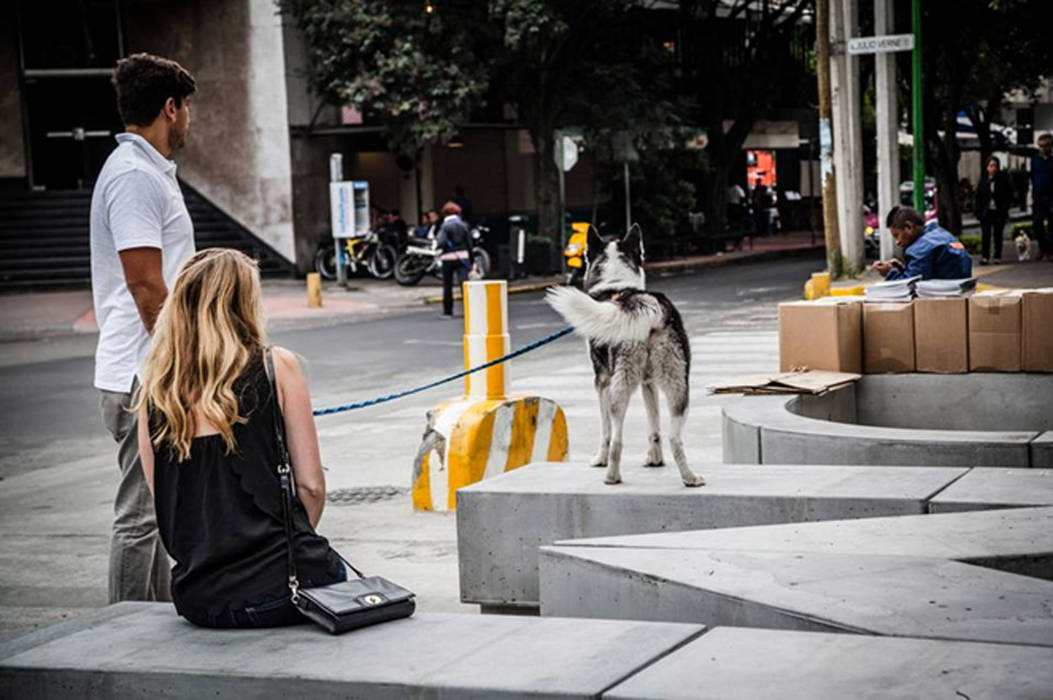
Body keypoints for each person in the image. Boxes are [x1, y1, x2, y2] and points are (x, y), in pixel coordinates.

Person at [136, 249, 345, 628]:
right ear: (242, 303)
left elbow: (164, 499)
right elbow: (311, 486)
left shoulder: (154, 390)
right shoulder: (275, 365)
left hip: (201, 601)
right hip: (282, 590)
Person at [90, 53, 197, 603]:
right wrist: (178, 360)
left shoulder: (143, 172)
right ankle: (122, 632)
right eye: (186, 111)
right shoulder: (134, 177)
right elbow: (145, 284)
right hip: (142, 371)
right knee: (141, 516)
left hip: (142, 368)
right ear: (170, 108)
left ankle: (150, 623)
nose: (188, 123)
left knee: (158, 510)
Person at [874, 206, 972, 281]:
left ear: (909, 227)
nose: (897, 242)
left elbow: (907, 286)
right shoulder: (940, 234)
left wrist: (889, 272)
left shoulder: (921, 249)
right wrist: (902, 269)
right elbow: (927, 271)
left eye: (896, 235)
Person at [975, 155, 1012, 264]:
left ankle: (997, 256)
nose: (993, 168)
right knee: (986, 234)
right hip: (986, 212)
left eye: (995, 166)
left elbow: (1008, 194)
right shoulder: (983, 181)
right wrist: (978, 211)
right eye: (991, 166)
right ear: (987, 167)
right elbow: (978, 196)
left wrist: (1005, 207)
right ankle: (985, 256)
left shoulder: (1002, 179)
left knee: (998, 234)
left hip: (998, 211)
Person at [436, 201, 471, 316]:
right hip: (463, 257)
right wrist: (472, 260)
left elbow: (440, 242)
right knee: (464, 285)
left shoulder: (445, 226)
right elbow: (470, 244)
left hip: (448, 258)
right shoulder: (464, 225)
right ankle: (467, 309)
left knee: (447, 285)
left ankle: (448, 311)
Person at [1030, 133, 1053, 261]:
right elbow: (1033, 176)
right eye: (1041, 146)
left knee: (1051, 227)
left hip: (1051, 197)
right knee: (1037, 224)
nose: (1043, 148)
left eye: (1046, 146)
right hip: (1038, 196)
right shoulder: (1035, 160)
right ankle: (1043, 247)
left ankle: (1049, 251)